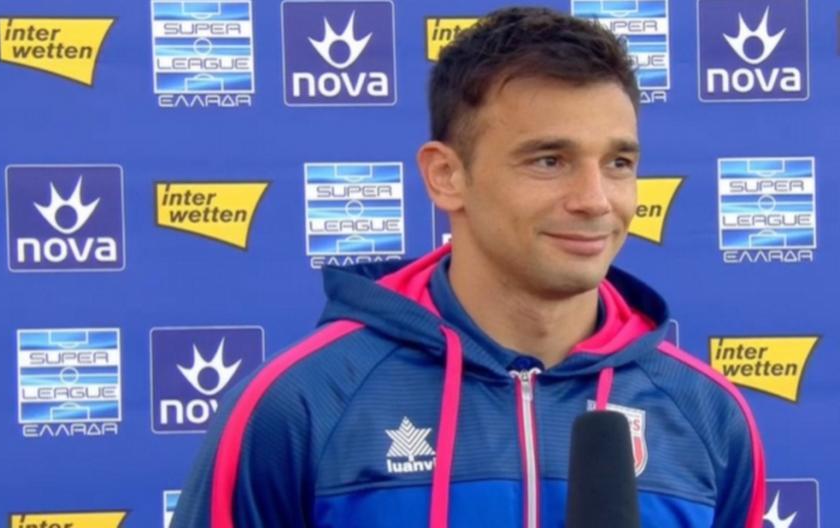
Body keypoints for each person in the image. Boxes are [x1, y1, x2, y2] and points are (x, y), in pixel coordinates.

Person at [172, 7, 766, 527]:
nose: (595, 200)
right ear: (446, 176)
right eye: (549, 160)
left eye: (618, 163)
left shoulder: (706, 413)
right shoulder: (303, 403)